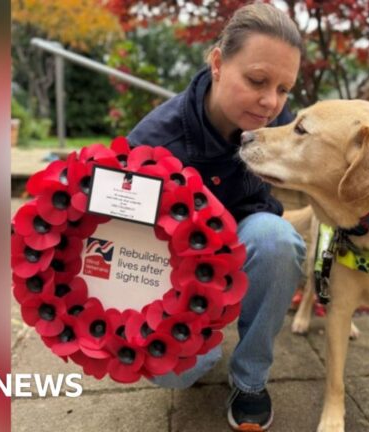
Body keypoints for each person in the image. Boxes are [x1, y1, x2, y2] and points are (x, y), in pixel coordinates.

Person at [126, 3, 305, 431]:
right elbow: (121, 251)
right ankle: (204, 342)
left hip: (243, 239)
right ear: (219, 63)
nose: (270, 102)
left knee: (277, 240)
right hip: (172, 270)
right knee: (176, 371)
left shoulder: (274, 125)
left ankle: (250, 379)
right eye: (258, 81)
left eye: (284, 89)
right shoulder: (153, 145)